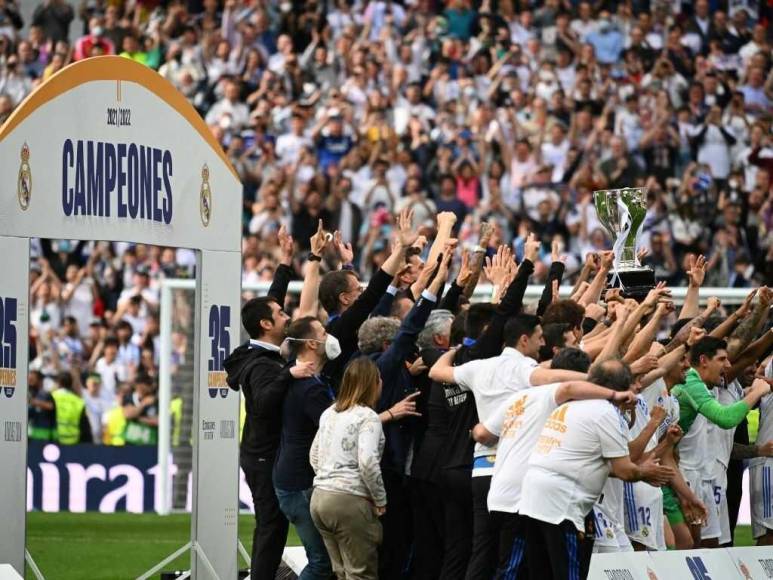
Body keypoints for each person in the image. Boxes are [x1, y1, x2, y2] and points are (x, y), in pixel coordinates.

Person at [429, 314, 588, 580]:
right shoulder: (526, 370)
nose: (541, 345)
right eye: (539, 339)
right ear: (524, 340)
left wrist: (454, 351)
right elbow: (556, 378)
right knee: (516, 558)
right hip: (517, 472)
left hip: (481, 471)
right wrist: (594, 376)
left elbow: (436, 371)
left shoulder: (479, 367)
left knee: (482, 551)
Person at [473, 348, 636, 579]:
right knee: (514, 571)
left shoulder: (520, 396)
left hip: (504, 493)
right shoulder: (559, 397)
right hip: (525, 499)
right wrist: (613, 395)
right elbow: (570, 387)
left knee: (501, 565)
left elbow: (481, 432)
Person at [518, 360, 674, 580]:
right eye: (632, 385)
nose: (637, 391)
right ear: (621, 389)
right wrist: (646, 473)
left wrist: (640, 466)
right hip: (562, 506)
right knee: (571, 574)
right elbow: (624, 470)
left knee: (542, 573)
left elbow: (598, 463)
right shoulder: (604, 412)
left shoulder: (568, 406)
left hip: (532, 501)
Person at [223, 228, 295, 580]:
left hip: (261, 451)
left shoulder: (253, 351)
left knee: (274, 522)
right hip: (263, 454)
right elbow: (265, 404)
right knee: (271, 523)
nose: (286, 315)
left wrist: (285, 264)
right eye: (280, 314)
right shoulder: (263, 367)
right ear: (267, 325)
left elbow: (270, 302)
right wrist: (290, 374)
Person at [672, 336, 771, 547]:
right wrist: (757, 392)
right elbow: (726, 419)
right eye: (722, 359)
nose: (728, 365)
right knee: (690, 548)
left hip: (705, 476)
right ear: (704, 360)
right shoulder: (691, 382)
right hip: (688, 475)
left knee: (711, 546)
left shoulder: (707, 387)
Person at [273, 317, 338, 580]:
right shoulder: (311, 389)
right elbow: (337, 429)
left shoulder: (294, 374)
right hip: (299, 484)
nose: (329, 336)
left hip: (289, 478)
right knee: (321, 563)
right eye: (324, 332)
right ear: (312, 343)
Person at [310, 357, 386, 580]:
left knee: (341, 572)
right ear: (372, 383)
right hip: (349, 500)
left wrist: (328, 479)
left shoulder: (330, 412)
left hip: (320, 498)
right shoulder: (368, 417)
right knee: (360, 574)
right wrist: (380, 499)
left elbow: (314, 455)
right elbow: (368, 462)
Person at [51, 371, 92, 445]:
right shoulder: (79, 401)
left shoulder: (52, 397)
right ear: (71, 384)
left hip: (54, 441)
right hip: (73, 441)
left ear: (58, 383)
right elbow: (85, 426)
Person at [27, 370, 56, 441]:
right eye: (29, 380)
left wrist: (34, 402)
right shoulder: (30, 394)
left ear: (40, 381)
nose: (30, 382)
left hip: (45, 435)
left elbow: (51, 406)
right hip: (33, 434)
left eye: (32, 380)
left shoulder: (45, 394)